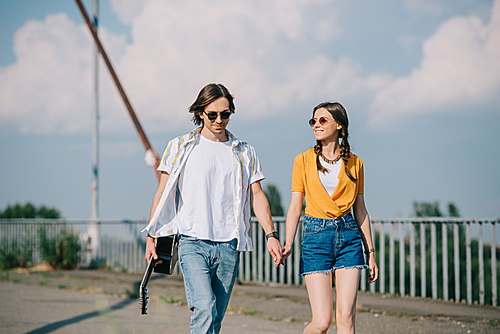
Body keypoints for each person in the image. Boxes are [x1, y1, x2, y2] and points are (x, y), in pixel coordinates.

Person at [142, 83, 283, 334]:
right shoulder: (180, 147)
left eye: (225, 114)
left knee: (215, 318)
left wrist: (271, 235)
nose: (219, 120)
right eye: (212, 114)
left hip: (229, 245)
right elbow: (162, 193)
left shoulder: (244, 151)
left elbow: (258, 195)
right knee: (205, 308)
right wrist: (152, 235)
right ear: (200, 113)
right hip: (192, 242)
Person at [282, 102, 378, 334]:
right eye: (313, 121)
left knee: (346, 318)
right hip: (316, 238)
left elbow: (361, 210)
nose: (316, 125)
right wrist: (287, 242)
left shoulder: (356, 163)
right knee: (322, 322)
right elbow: (295, 207)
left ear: (339, 126)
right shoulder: (302, 161)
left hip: (349, 238)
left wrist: (371, 253)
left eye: (323, 120)